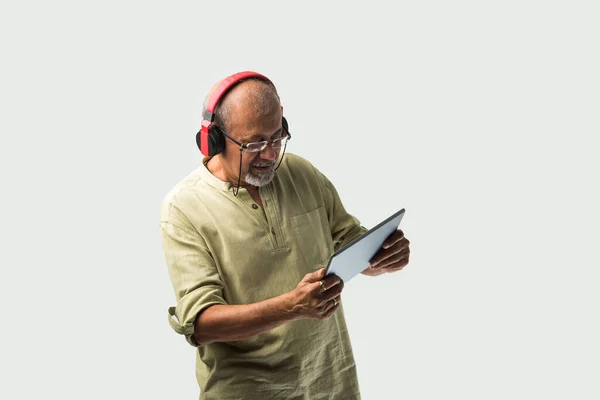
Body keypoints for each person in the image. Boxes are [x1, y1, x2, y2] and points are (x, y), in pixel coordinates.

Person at [160, 71, 411, 400]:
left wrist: (381, 258)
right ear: (214, 140)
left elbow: (349, 242)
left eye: (276, 138)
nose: (269, 154)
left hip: (331, 382)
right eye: (253, 144)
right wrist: (291, 306)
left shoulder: (302, 173)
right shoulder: (183, 208)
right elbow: (203, 324)